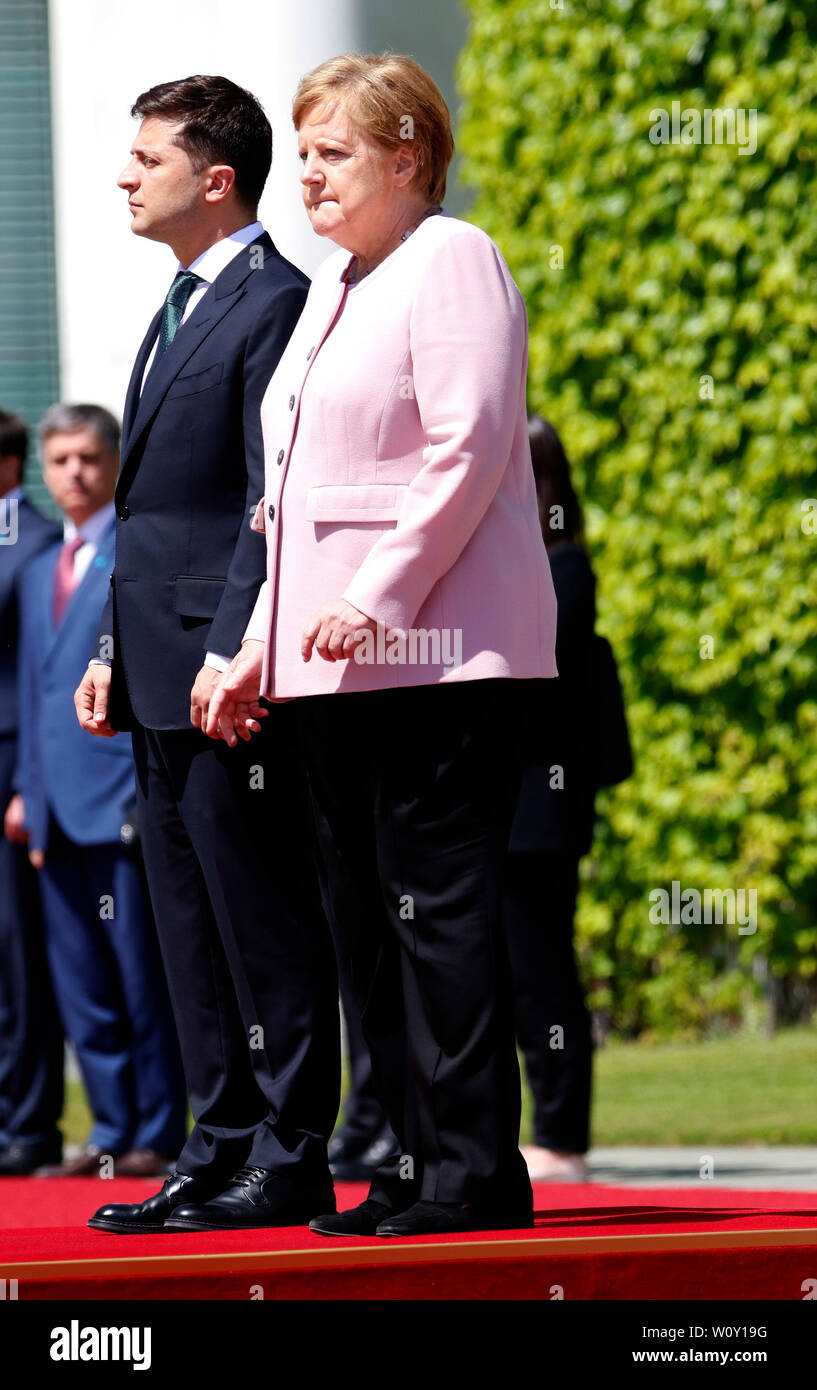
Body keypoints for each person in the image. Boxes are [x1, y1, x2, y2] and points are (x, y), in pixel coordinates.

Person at [206, 53, 558, 1239]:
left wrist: (381, 594)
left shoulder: (451, 259)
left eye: (332, 151)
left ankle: (472, 1171)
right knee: (363, 923)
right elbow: (289, 500)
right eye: (301, 152)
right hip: (331, 669)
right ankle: (407, 1162)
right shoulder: (333, 287)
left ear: (407, 159)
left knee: (435, 915)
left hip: (437, 658)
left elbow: (465, 449)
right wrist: (259, 640)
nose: (305, 173)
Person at [74, 77, 339, 1234]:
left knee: (257, 918)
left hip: (224, 682)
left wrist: (232, 649)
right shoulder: (177, 304)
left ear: (216, 178)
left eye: (147, 159)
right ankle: (217, 1141)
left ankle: (289, 1152)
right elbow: (150, 510)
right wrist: (108, 648)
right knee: (185, 920)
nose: (125, 177)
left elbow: (262, 502)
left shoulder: (274, 300)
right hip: (151, 674)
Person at [14, 404, 187, 1176]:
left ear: (115, 461)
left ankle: (158, 1129)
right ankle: (112, 1132)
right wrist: (29, 795)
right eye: (59, 461)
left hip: (119, 802)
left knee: (142, 978)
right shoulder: (38, 567)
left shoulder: (133, 550)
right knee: (81, 985)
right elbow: (33, 692)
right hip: (53, 812)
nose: (74, 474)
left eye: (88, 457)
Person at [504, 413, 600, 1182]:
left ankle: (562, 1137)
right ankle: (544, 1130)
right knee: (516, 973)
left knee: (543, 975)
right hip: (510, 805)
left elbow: (538, 667)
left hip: (540, 808)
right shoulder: (526, 559)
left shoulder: (562, 567)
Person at [0, 409, 64, 1175]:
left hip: (15, 771)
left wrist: (27, 785)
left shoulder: (37, 545)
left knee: (19, 957)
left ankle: (28, 1126)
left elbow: (43, 681)